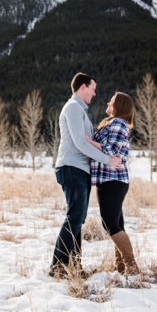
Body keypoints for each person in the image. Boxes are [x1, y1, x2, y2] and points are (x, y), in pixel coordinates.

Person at [50, 73, 121, 277]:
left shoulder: (80, 110)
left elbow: (87, 142)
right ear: (82, 87)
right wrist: (108, 160)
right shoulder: (73, 108)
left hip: (79, 170)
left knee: (77, 218)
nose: (95, 93)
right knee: (75, 216)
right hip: (72, 168)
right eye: (93, 88)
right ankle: (57, 267)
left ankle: (75, 266)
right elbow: (81, 143)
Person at [85, 91, 139, 275]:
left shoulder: (117, 123)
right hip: (110, 180)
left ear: (119, 106)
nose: (109, 101)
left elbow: (113, 150)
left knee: (109, 223)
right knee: (116, 223)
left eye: (113, 100)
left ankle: (131, 265)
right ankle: (121, 266)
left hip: (113, 180)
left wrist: (89, 142)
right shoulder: (114, 123)